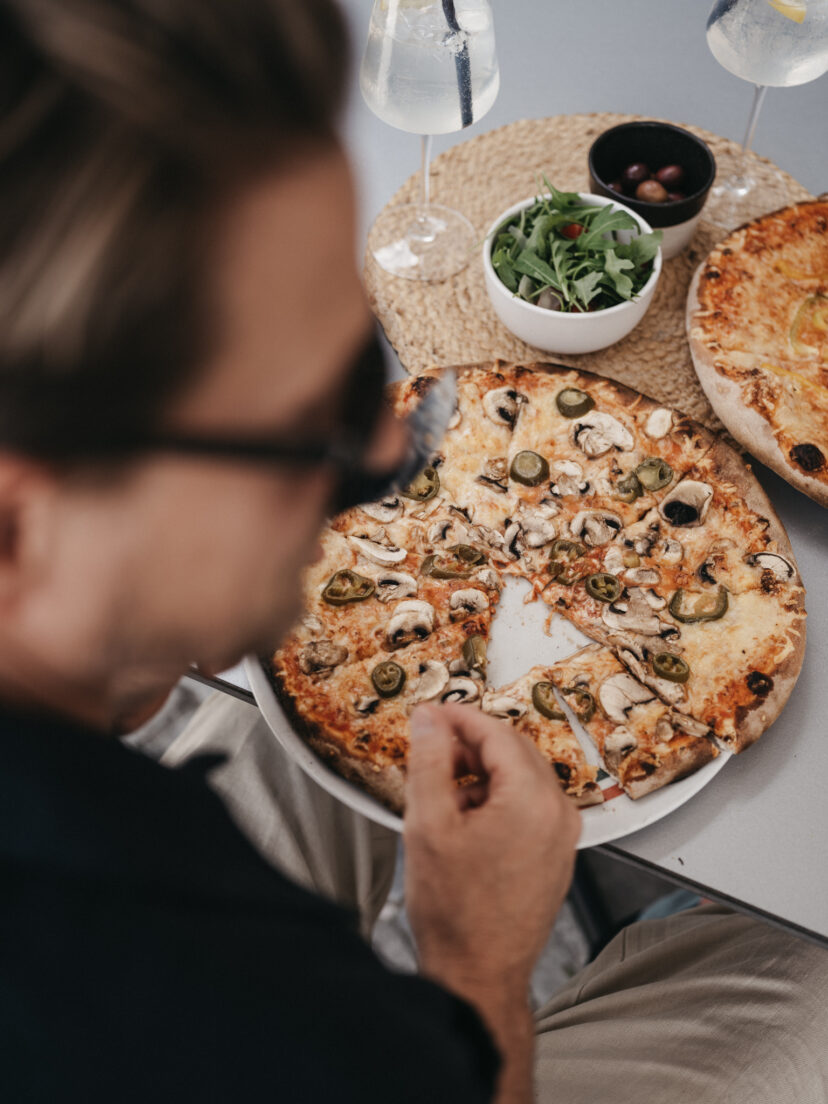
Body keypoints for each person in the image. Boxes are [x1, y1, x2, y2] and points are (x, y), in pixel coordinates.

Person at [0, 2, 825, 1102]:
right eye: (323, 419)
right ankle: (673, 941)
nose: (396, 443)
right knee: (800, 979)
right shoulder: (170, 988)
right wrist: (477, 968)